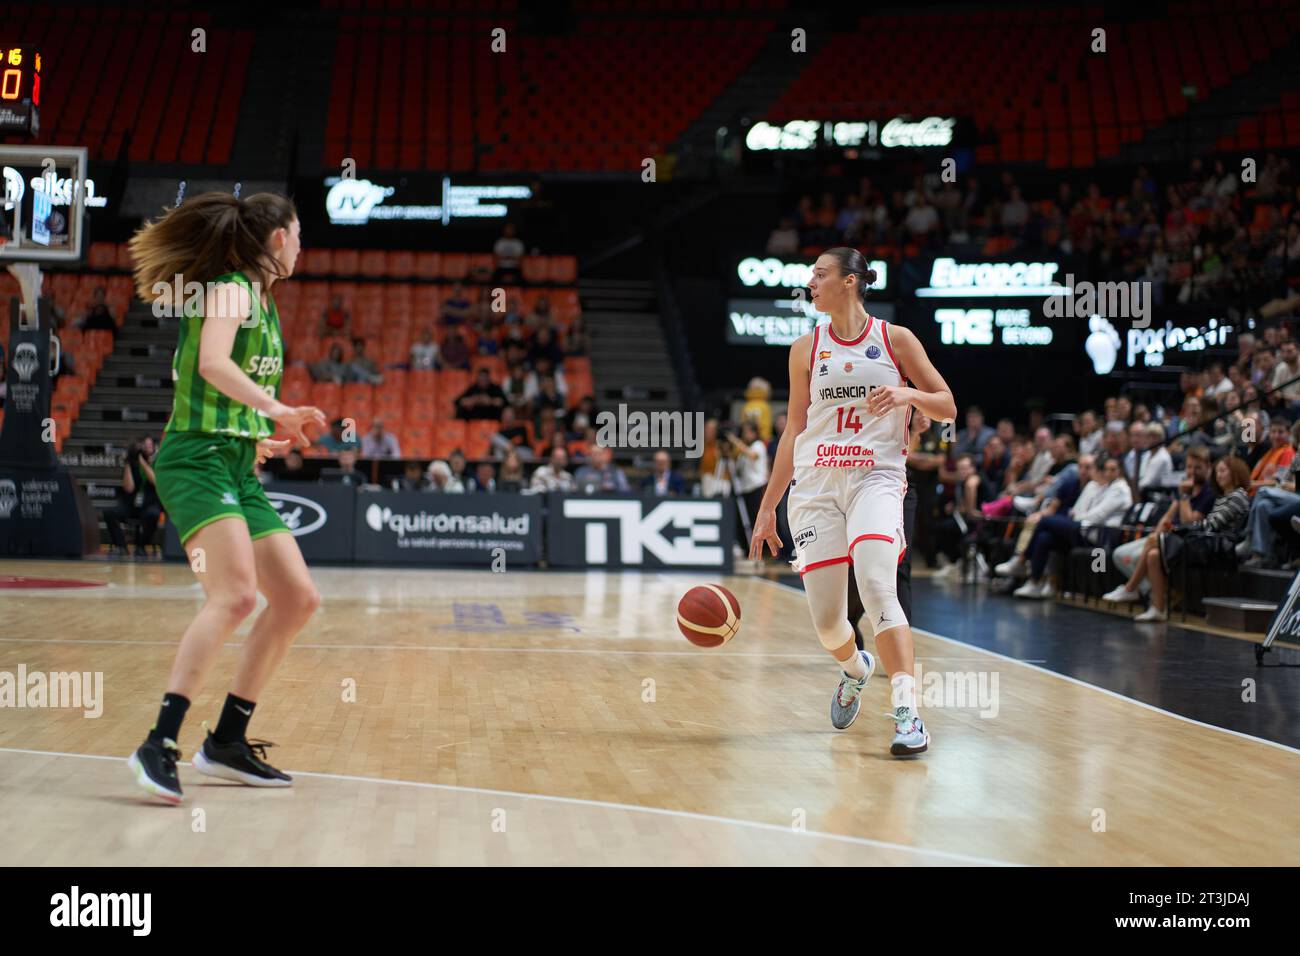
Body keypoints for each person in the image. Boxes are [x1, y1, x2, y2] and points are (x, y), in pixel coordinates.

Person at [124, 191, 327, 803]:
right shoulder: (232, 290)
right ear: (275, 241)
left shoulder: (263, 303)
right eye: (297, 234)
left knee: (295, 598)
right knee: (237, 596)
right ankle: (158, 742)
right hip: (194, 460)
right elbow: (211, 364)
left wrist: (259, 434)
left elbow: (222, 389)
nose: (301, 245)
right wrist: (275, 408)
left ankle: (227, 742)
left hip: (234, 461)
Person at [749, 247, 956, 757]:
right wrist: (766, 507)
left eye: (819, 275)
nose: (810, 283)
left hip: (876, 478)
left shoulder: (895, 340)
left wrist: (909, 397)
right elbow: (794, 430)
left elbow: (947, 404)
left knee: (877, 582)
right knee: (826, 623)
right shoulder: (804, 349)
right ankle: (855, 669)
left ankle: (908, 714)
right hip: (816, 485)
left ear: (849, 281)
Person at [1133, 456, 1251, 622]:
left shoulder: (1238, 496)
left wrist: (1185, 527)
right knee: (1153, 555)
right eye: (1217, 471)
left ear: (1236, 472)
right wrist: (1186, 528)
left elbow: (1212, 525)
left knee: (1154, 540)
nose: (1218, 475)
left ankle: (1131, 587)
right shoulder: (1222, 496)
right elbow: (1204, 524)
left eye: (1223, 471)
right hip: (1205, 541)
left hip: (1217, 548)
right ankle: (1158, 608)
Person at [1013, 456, 1133, 599]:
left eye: (1113, 470)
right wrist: (1078, 518)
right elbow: (1076, 510)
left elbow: (1098, 515)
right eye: (1106, 469)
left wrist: (1078, 519)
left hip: (1100, 536)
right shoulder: (1101, 486)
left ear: (1120, 471)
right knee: (1045, 538)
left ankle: (1021, 560)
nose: (1108, 473)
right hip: (1084, 529)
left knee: (1043, 521)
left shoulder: (1120, 489)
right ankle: (1035, 582)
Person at [1105, 445, 1215, 598]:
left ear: (1208, 467)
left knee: (1138, 557)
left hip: (1184, 540)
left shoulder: (1209, 492)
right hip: (1165, 536)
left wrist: (1184, 496)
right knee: (1119, 554)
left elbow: (1188, 523)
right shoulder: (1185, 486)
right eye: (1189, 467)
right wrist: (1155, 536)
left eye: (1198, 467)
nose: (1192, 472)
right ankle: (1156, 592)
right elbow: (1168, 517)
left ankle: (1133, 589)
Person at [104, 436, 162, 558]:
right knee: (109, 512)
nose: (146, 449)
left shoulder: (158, 463)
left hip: (149, 505)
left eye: (149, 446)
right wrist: (128, 464)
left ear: (153, 448)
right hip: (131, 505)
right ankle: (121, 546)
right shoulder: (133, 465)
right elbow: (128, 487)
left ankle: (141, 547)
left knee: (153, 514)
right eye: (144, 446)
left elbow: (155, 481)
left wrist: (143, 463)